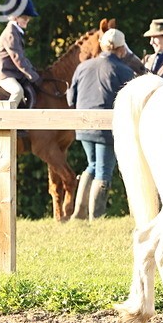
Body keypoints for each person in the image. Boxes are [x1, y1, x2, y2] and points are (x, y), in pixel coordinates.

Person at [66, 28, 136, 219]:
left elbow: (71, 98)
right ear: (121, 49)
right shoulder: (124, 70)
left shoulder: (83, 67)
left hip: (83, 126)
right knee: (103, 170)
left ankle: (79, 213)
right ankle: (96, 217)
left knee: (92, 165)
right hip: (107, 128)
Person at [0, 0, 41, 108]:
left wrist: (33, 70)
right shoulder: (11, 33)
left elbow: (23, 57)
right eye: (25, 17)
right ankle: (9, 120)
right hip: (3, 74)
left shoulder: (16, 32)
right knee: (17, 91)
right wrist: (33, 76)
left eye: (28, 17)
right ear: (15, 17)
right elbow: (18, 58)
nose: (27, 20)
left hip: (12, 73)